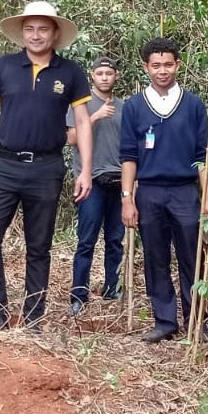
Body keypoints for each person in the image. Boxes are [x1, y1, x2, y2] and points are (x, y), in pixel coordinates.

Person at [0, 1, 94, 332]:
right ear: (22, 33)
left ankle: (34, 315)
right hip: (5, 166)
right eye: (30, 29)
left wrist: (86, 169)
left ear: (55, 33)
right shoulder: (4, 67)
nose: (36, 35)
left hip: (46, 168)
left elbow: (82, 122)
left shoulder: (71, 73)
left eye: (43, 29)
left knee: (39, 245)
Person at [119, 37, 208, 344]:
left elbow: (203, 156)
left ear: (178, 65)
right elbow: (128, 156)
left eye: (168, 64)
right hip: (149, 192)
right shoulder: (134, 107)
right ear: (146, 67)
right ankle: (164, 320)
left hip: (185, 192)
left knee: (192, 256)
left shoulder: (194, 105)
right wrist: (127, 198)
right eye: (156, 65)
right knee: (155, 257)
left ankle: (197, 320)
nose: (162, 71)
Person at [66, 56, 126, 317]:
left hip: (119, 180)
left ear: (116, 76)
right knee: (86, 240)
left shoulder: (125, 107)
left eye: (108, 73)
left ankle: (112, 288)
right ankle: (79, 294)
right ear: (92, 76)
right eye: (99, 73)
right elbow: (71, 139)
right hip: (91, 181)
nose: (104, 77)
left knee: (116, 239)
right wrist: (95, 116)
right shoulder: (82, 105)